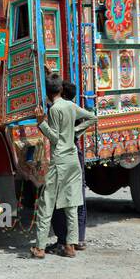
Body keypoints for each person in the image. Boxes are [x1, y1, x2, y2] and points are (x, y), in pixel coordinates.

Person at [31, 77, 96, 259]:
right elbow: (92, 117)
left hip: (59, 161)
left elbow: (54, 137)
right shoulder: (70, 106)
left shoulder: (54, 110)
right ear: (60, 89)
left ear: (48, 93)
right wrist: (75, 132)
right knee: (71, 204)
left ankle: (40, 248)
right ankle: (70, 247)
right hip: (73, 160)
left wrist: (41, 122)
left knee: (46, 204)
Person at [48, 81, 93, 253]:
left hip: (64, 155)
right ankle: (78, 239)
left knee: (60, 199)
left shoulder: (61, 109)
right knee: (77, 197)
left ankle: (63, 241)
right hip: (75, 153)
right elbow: (91, 117)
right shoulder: (73, 108)